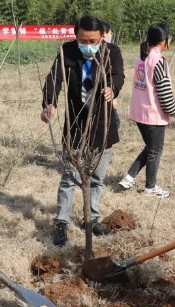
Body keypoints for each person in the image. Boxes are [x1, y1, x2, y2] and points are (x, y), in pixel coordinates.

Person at [41, 15, 124, 247]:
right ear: (75, 36)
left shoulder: (111, 52)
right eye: (83, 41)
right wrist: (49, 102)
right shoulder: (67, 52)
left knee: (97, 177)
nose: (88, 46)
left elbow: (118, 76)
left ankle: (93, 219)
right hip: (75, 123)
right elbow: (53, 78)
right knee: (69, 176)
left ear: (102, 37)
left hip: (102, 122)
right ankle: (61, 222)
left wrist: (112, 89)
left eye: (93, 41)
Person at [118, 23, 175, 197]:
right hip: (152, 114)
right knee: (155, 150)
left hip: (139, 111)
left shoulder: (142, 56)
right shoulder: (157, 60)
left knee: (150, 147)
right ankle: (150, 188)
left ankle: (129, 177)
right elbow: (164, 91)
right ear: (163, 41)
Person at [102, 21, 121, 128]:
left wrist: (113, 92)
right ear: (104, 33)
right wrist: (113, 98)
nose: (111, 35)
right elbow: (110, 74)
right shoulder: (110, 49)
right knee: (114, 123)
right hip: (105, 95)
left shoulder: (112, 50)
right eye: (110, 33)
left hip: (109, 91)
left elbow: (116, 76)